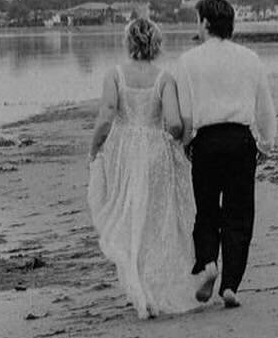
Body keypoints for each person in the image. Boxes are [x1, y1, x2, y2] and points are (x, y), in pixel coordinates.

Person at [86, 16, 203, 319]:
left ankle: (140, 293)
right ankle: (152, 290)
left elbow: (107, 114)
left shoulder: (114, 75)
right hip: (155, 150)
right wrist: (171, 140)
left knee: (128, 217)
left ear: (128, 42)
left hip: (124, 151)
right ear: (156, 44)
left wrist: (95, 146)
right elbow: (176, 122)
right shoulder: (164, 77)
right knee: (153, 220)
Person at [174, 0, 277, 309]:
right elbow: (265, 107)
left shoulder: (188, 61)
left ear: (205, 23)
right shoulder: (250, 58)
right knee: (239, 214)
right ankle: (230, 284)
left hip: (206, 141)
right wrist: (266, 144)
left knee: (206, 210)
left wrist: (187, 142)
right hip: (239, 140)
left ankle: (208, 264)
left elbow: (184, 111)